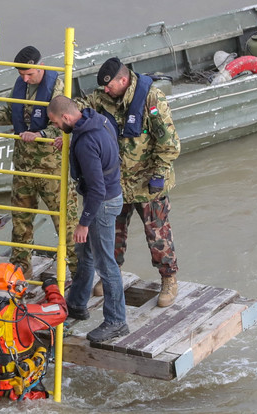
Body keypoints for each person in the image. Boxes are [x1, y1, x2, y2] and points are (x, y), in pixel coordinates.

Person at [77, 57, 181, 307]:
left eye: (109, 85)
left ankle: (169, 279)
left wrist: (158, 175)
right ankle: (112, 275)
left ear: (123, 80)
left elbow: (169, 144)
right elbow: (79, 108)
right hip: (115, 182)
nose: (105, 90)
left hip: (148, 183)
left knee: (157, 234)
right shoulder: (101, 99)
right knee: (111, 233)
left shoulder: (152, 100)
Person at [0, 46, 78, 279]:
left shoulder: (58, 88)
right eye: (21, 74)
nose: (24, 78)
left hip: (52, 168)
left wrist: (41, 135)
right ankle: (21, 268)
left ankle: (80, 272)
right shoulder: (21, 85)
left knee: (65, 224)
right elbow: (13, 113)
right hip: (23, 166)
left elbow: (66, 123)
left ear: (40, 67)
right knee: (20, 222)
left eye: (29, 74)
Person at [47, 96, 128, 343]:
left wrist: (84, 222)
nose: (56, 128)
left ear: (67, 118)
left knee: (106, 264)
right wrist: (69, 144)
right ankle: (78, 304)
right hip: (112, 196)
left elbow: (96, 189)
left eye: (56, 123)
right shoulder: (99, 119)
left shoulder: (86, 144)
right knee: (85, 253)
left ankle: (116, 321)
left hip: (101, 205)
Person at [0, 263, 68, 401]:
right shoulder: (24, 314)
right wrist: (51, 287)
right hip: (22, 392)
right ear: (19, 286)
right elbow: (60, 310)